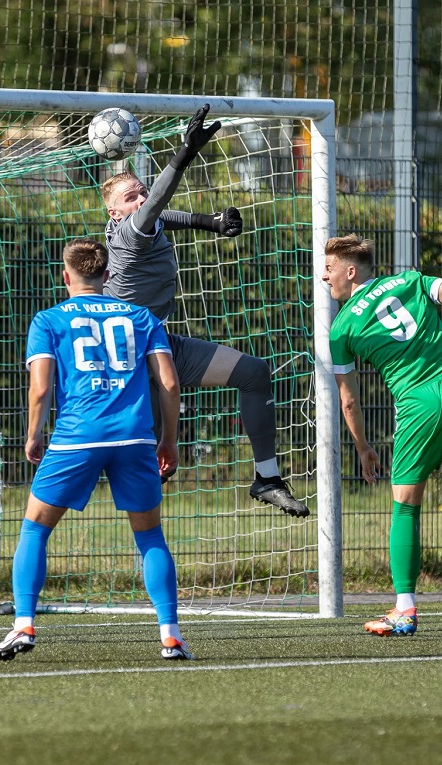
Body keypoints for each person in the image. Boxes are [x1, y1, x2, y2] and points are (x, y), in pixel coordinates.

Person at [99, 103, 309, 518]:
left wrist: (210, 222)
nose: (140, 197)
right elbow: (158, 204)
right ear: (114, 213)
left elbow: (162, 213)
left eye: (141, 190)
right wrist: (184, 154)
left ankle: (266, 477)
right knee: (147, 473)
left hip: (157, 341)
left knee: (254, 373)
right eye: (130, 196)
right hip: (128, 359)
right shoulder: (127, 234)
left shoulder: (143, 222)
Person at [0, 238, 193, 662]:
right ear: (107, 276)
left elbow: (41, 387)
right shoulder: (142, 316)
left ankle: (23, 625)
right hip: (135, 438)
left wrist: (33, 434)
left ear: (66, 276)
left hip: (76, 437)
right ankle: (170, 634)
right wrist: (169, 439)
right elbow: (170, 384)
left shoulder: (48, 320)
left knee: (35, 529)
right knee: (150, 534)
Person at [323, 234, 442, 636]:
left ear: (350, 271)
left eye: (328, 269)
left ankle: (404, 609)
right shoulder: (409, 279)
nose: (324, 278)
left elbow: (348, 402)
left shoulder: (340, 329)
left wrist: (363, 448)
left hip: (415, 403)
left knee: (406, 507)